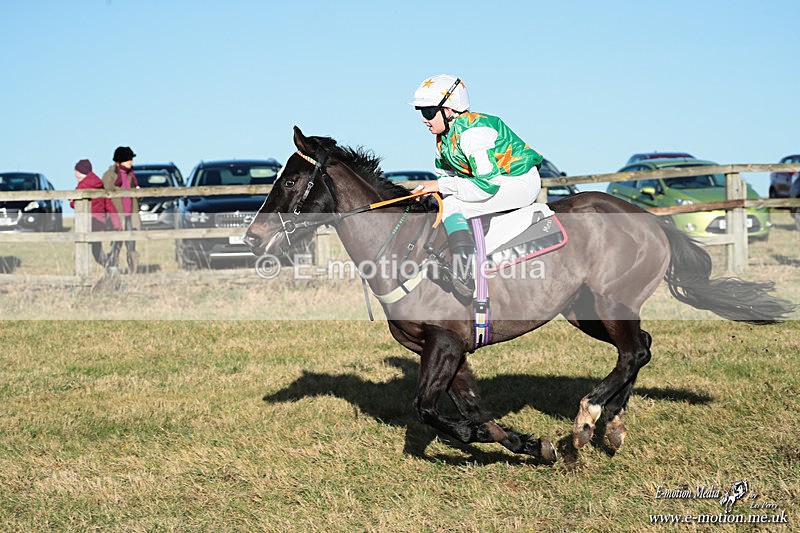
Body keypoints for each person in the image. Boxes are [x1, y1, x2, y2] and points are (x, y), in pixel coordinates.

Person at [410, 74, 544, 297]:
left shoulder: (473, 132)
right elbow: (448, 178)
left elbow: (486, 186)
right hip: (496, 181)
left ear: (449, 109)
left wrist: (439, 186)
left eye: (428, 112)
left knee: (453, 205)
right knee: (443, 204)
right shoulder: (443, 138)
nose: (424, 119)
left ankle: (464, 272)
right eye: (421, 113)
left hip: (519, 181)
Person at [71, 159, 122, 266]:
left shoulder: (82, 186)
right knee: (96, 250)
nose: (74, 174)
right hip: (100, 223)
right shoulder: (99, 185)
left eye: (75, 171)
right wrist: (117, 223)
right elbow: (109, 205)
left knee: (88, 252)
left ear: (80, 172)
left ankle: (111, 268)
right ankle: (111, 267)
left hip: (86, 224)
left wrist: (71, 201)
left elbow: (75, 205)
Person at [102, 146, 141, 273]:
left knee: (131, 245)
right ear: (121, 161)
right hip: (117, 215)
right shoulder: (109, 176)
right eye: (129, 159)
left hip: (130, 214)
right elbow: (105, 194)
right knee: (115, 245)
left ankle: (133, 271)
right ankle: (112, 270)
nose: (131, 162)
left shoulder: (131, 175)